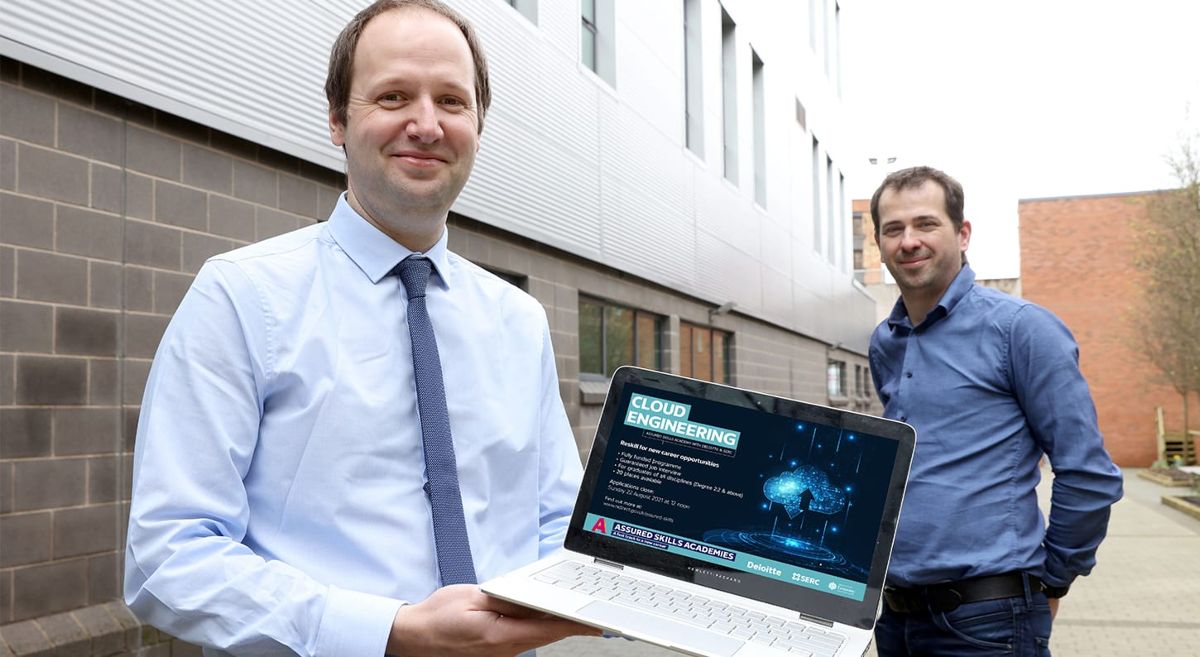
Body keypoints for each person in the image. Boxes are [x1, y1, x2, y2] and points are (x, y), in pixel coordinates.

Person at [124, 1, 599, 655]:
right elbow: (167, 557)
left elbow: (554, 524)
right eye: (394, 95)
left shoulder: (520, 322)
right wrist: (389, 632)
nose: (426, 124)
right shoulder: (240, 297)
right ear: (337, 119)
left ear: (479, 127)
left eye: (452, 101)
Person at [867, 166, 1123, 656]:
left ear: (962, 234)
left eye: (926, 224)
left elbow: (1087, 472)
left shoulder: (1020, 330)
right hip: (896, 617)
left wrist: (1053, 581)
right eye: (893, 229)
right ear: (879, 242)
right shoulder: (885, 343)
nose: (909, 241)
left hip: (986, 623)